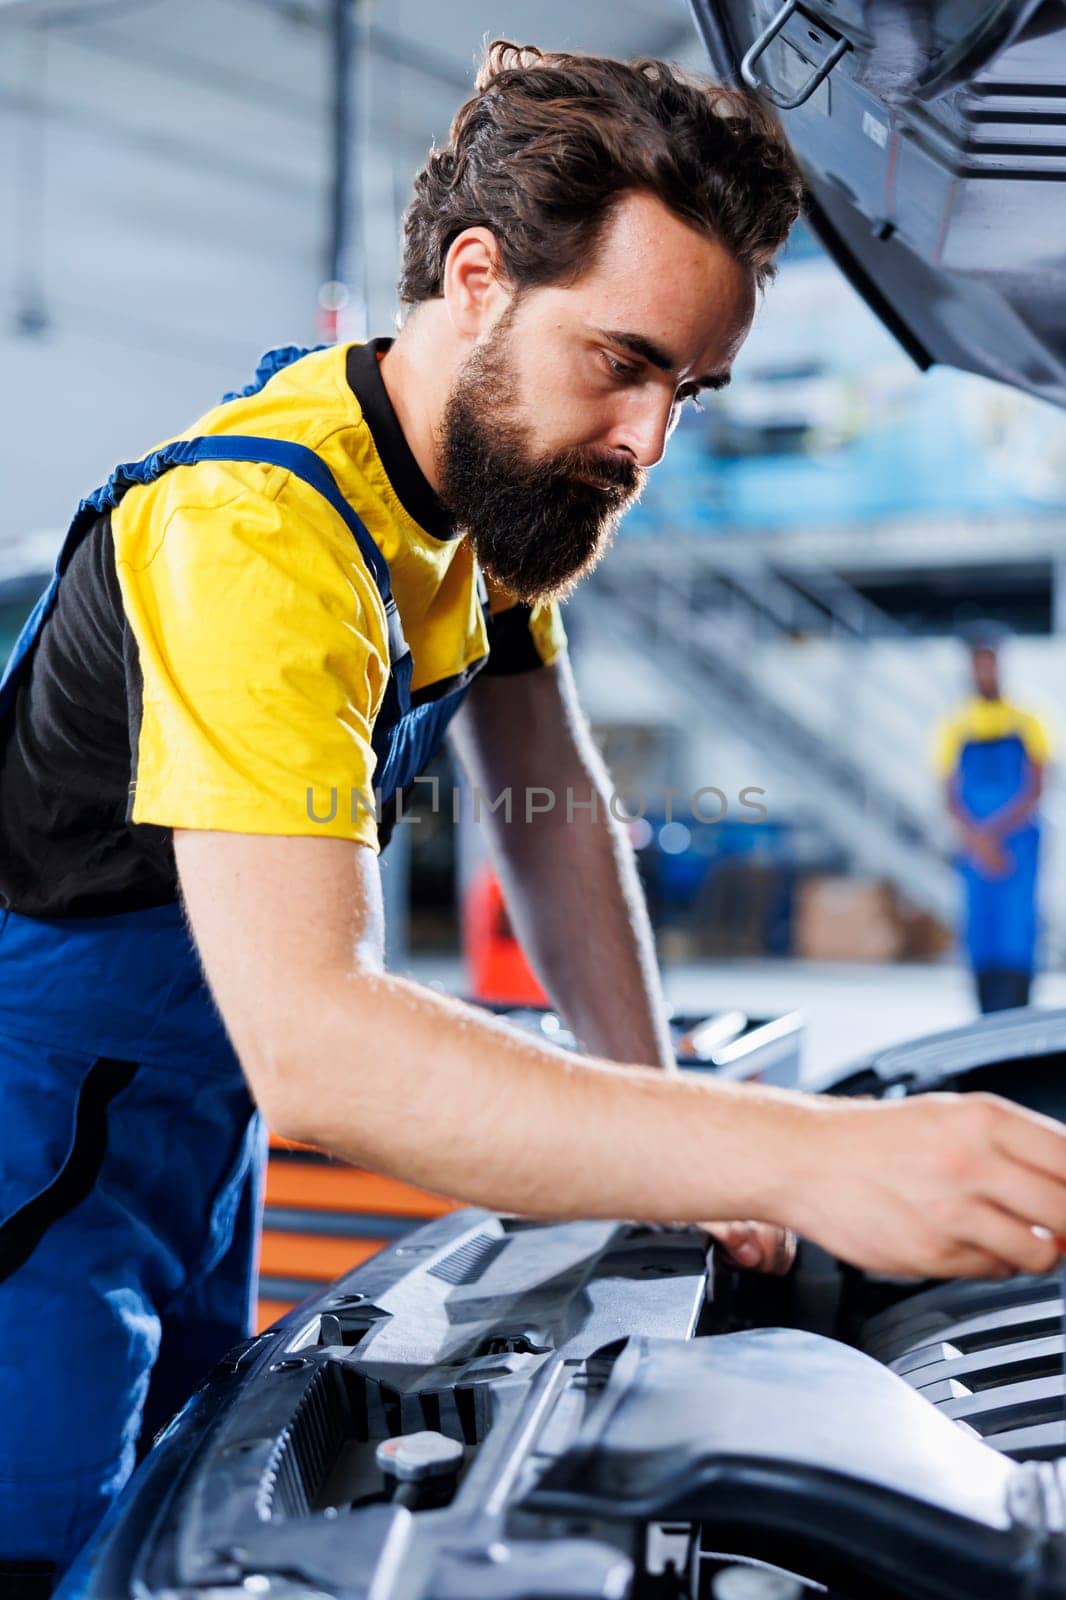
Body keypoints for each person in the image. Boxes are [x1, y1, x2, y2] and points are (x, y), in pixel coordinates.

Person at [3, 42, 1066, 1590]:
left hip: (180, 1121)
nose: (645, 442)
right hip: (34, 1143)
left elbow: (553, 818)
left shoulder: (476, 515)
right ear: (478, 276)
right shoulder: (256, 537)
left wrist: (673, 1137)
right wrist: (796, 1157)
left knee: (171, 1524)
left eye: (685, 391)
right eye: (622, 362)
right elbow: (320, 1048)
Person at [937, 635, 1052, 1012]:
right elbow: (949, 794)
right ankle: (984, 1016)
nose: (984, 671)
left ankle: (1017, 1012)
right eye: (978, 664)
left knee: (1016, 932)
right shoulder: (957, 726)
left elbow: (1036, 787)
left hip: (1017, 845)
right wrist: (979, 841)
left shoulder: (1026, 721)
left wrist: (995, 836)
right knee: (982, 931)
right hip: (976, 848)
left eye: (990, 663)